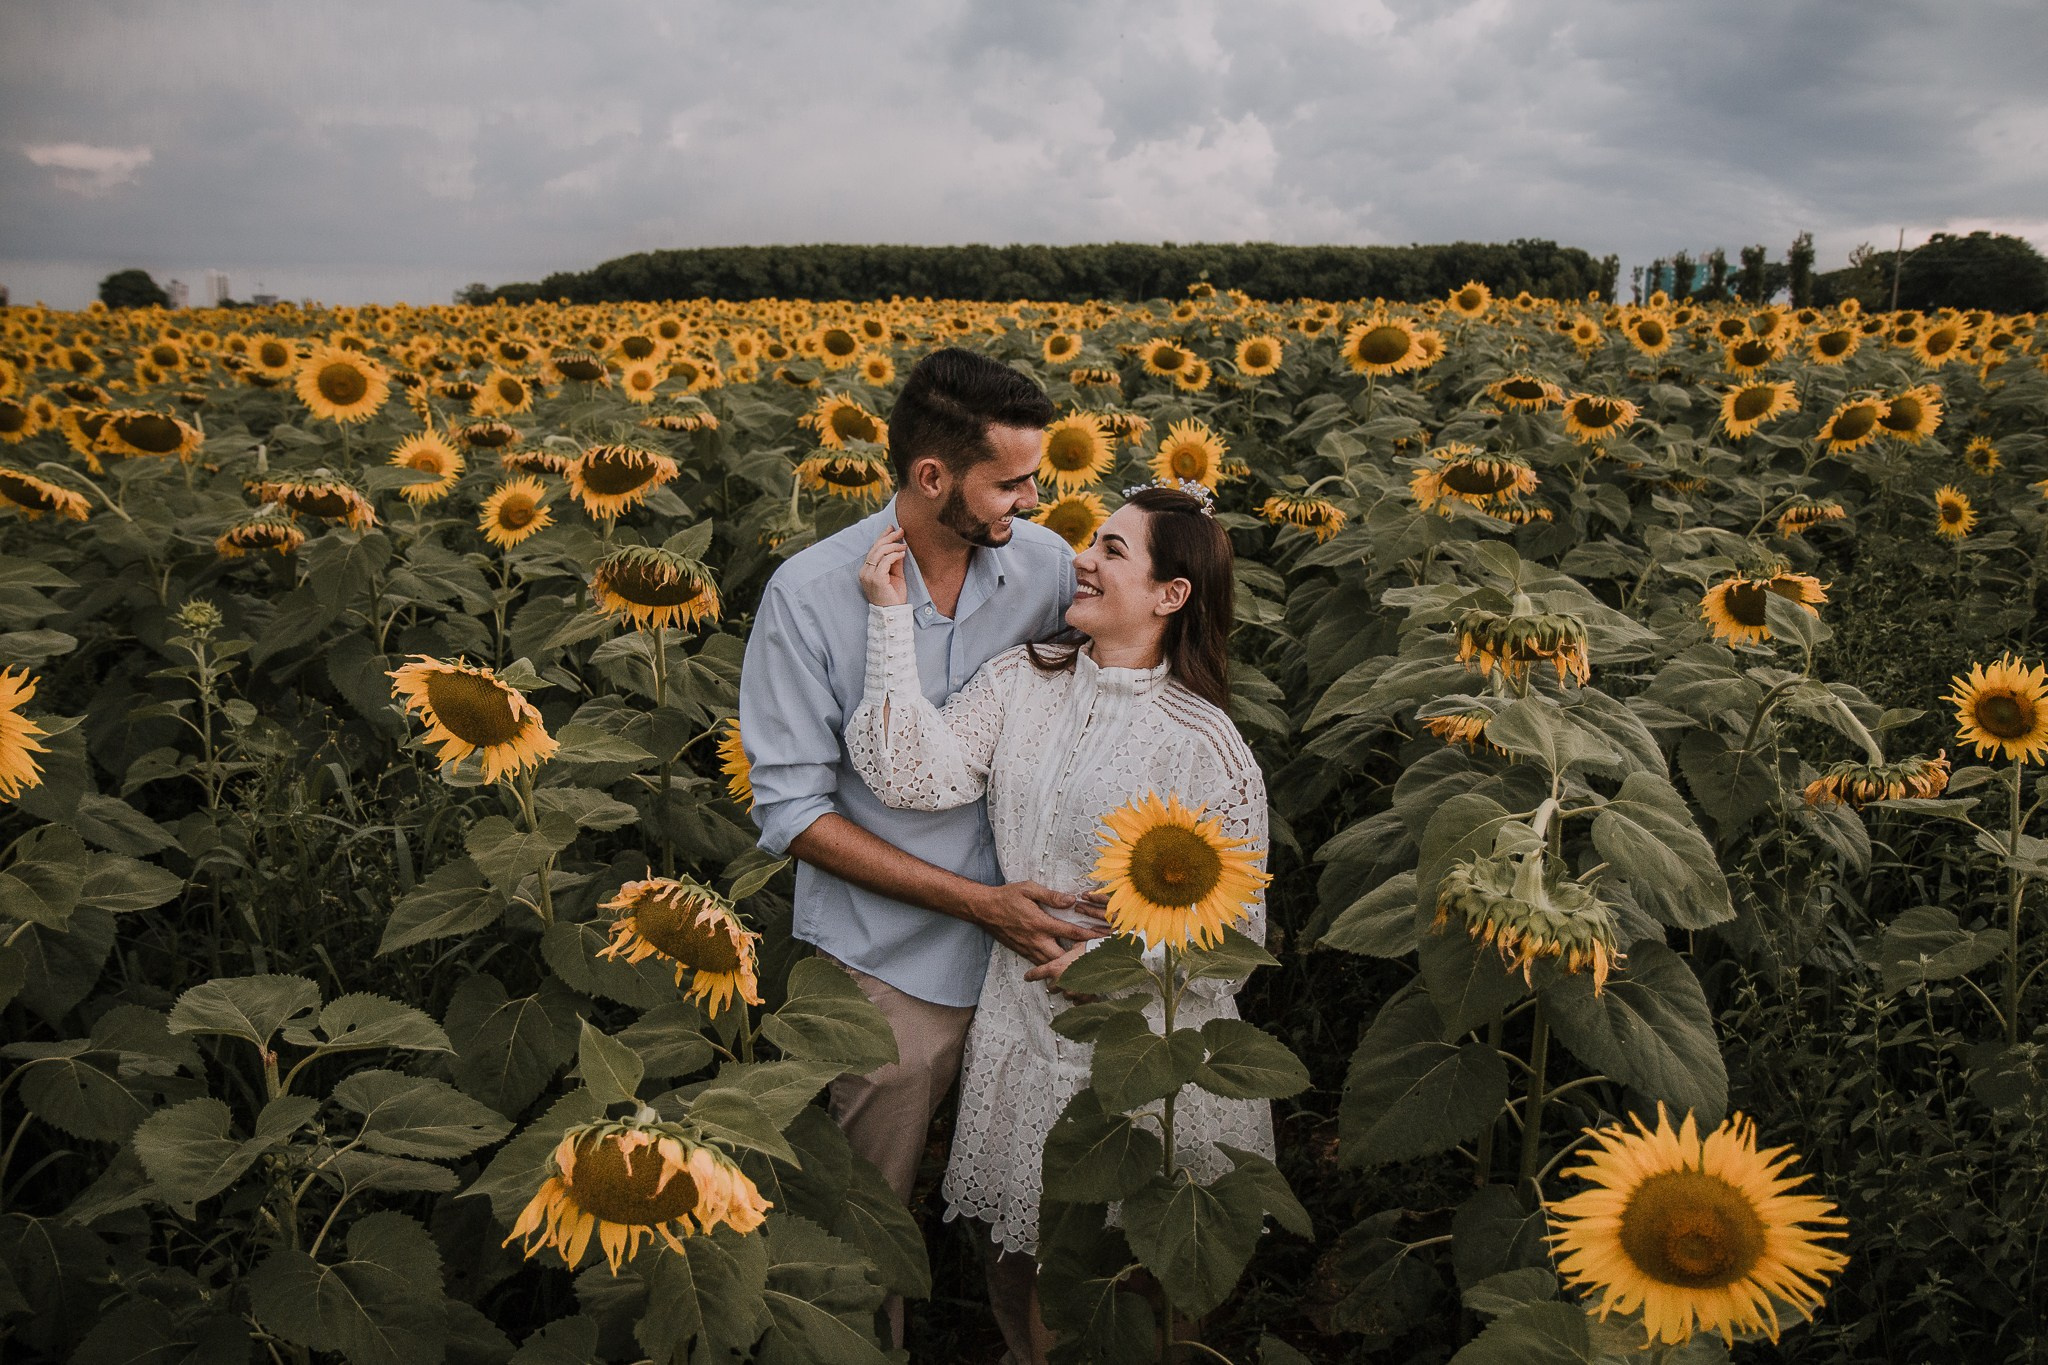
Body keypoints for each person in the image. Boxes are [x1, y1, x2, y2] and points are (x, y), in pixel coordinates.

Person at [846, 482, 1274, 1365]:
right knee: (1024, 1273)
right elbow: (911, 777)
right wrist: (890, 622)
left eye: (1113, 550)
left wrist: (1118, 960)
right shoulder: (1022, 680)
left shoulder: (1206, 744)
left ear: (1172, 594)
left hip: (1145, 1047)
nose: (1081, 557)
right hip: (1022, 1030)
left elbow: (1239, 933)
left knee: (1141, 1283)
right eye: (1091, 541)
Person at [737, 346, 1097, 1349]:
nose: (1033, 499)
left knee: (1035, 1203)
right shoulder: (809, 596)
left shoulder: (1037, 567)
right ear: (931, 477)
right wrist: (976, 903)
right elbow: (794, 813)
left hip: (1039, 949)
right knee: (864, 1220)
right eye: (1011, 481)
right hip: (887, 957)